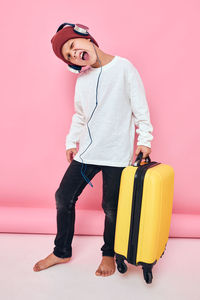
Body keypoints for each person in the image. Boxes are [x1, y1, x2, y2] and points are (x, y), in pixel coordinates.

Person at [33, 24, 153, 276]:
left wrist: (145, 138)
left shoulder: (124, 68)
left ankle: (108, 253)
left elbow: (140, 108)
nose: (74, 53)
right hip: (87, 152)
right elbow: (80, 115)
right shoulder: (83, 79)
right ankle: (61, 251)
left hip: (116, 154)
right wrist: (71, 142)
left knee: (111, 207)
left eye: (73, 45)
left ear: (86, 38)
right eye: (68, 55)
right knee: (63, 197)